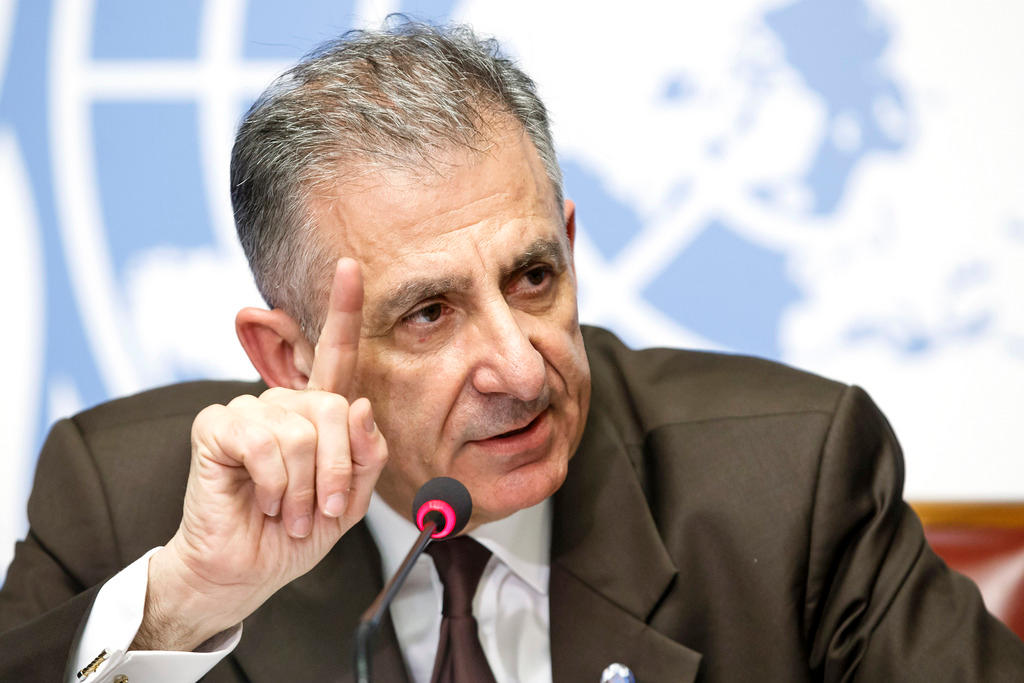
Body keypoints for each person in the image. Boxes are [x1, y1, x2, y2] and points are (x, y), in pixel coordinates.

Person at [1, 19, 1023, 683]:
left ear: (569, 243)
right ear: (288, 357)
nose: (524, 369)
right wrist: (185, 604)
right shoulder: (124, 503)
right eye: (428, 313)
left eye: (534, 277)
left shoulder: (789, 481)